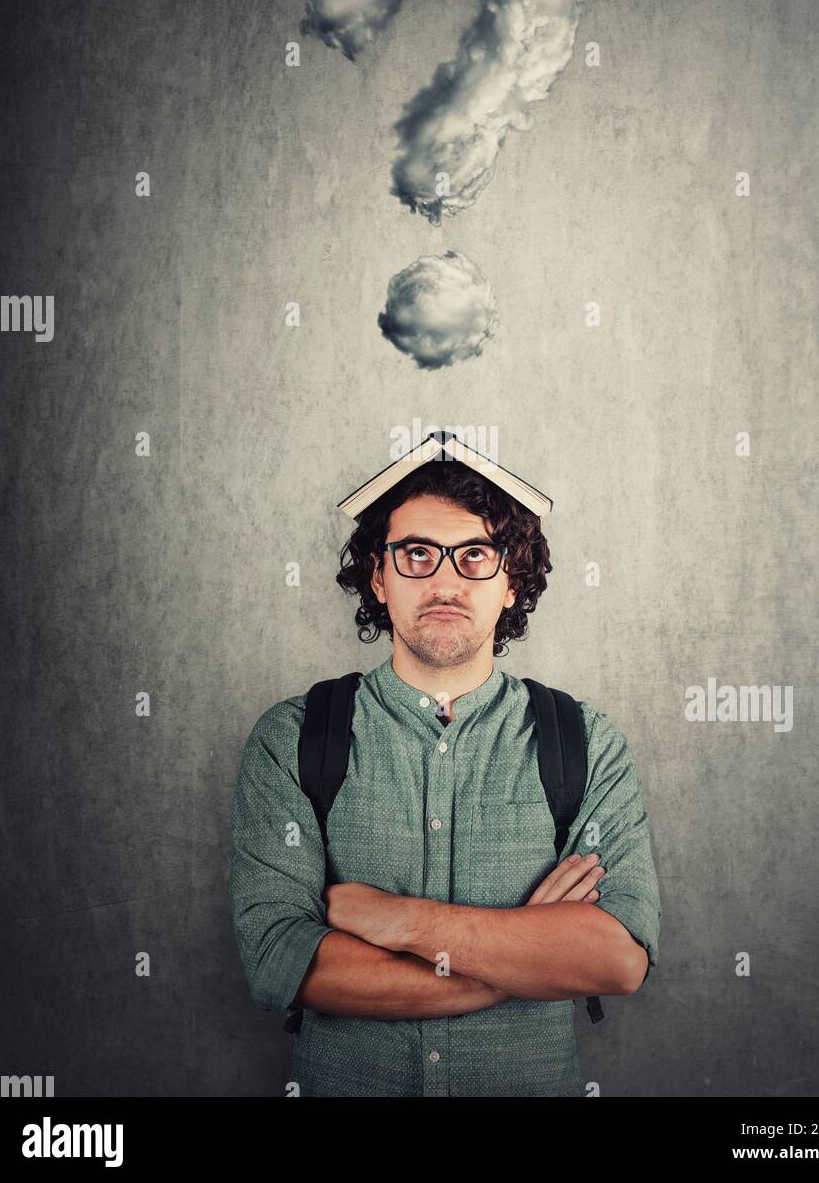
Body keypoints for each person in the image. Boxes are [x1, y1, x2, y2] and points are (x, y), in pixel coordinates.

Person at [228, 456, 660, 1096]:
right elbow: (281, 964)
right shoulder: (294, 737)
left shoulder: (584, 741)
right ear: (379, 577)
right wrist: (527, 957)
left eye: (476, 556)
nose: (446, 582)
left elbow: (618, 960)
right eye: (418, 554)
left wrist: (396, 920)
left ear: (510, 581)